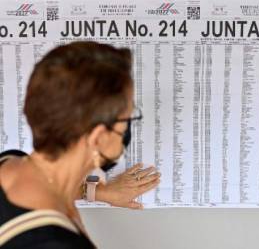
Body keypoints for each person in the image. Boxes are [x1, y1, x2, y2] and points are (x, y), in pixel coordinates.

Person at [0, 41, 161, 248]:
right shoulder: (54, 243)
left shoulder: (10, 161)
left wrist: (100, 193)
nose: (129, 124)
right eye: (128, 117)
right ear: (98, 137)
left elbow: (54, 187)